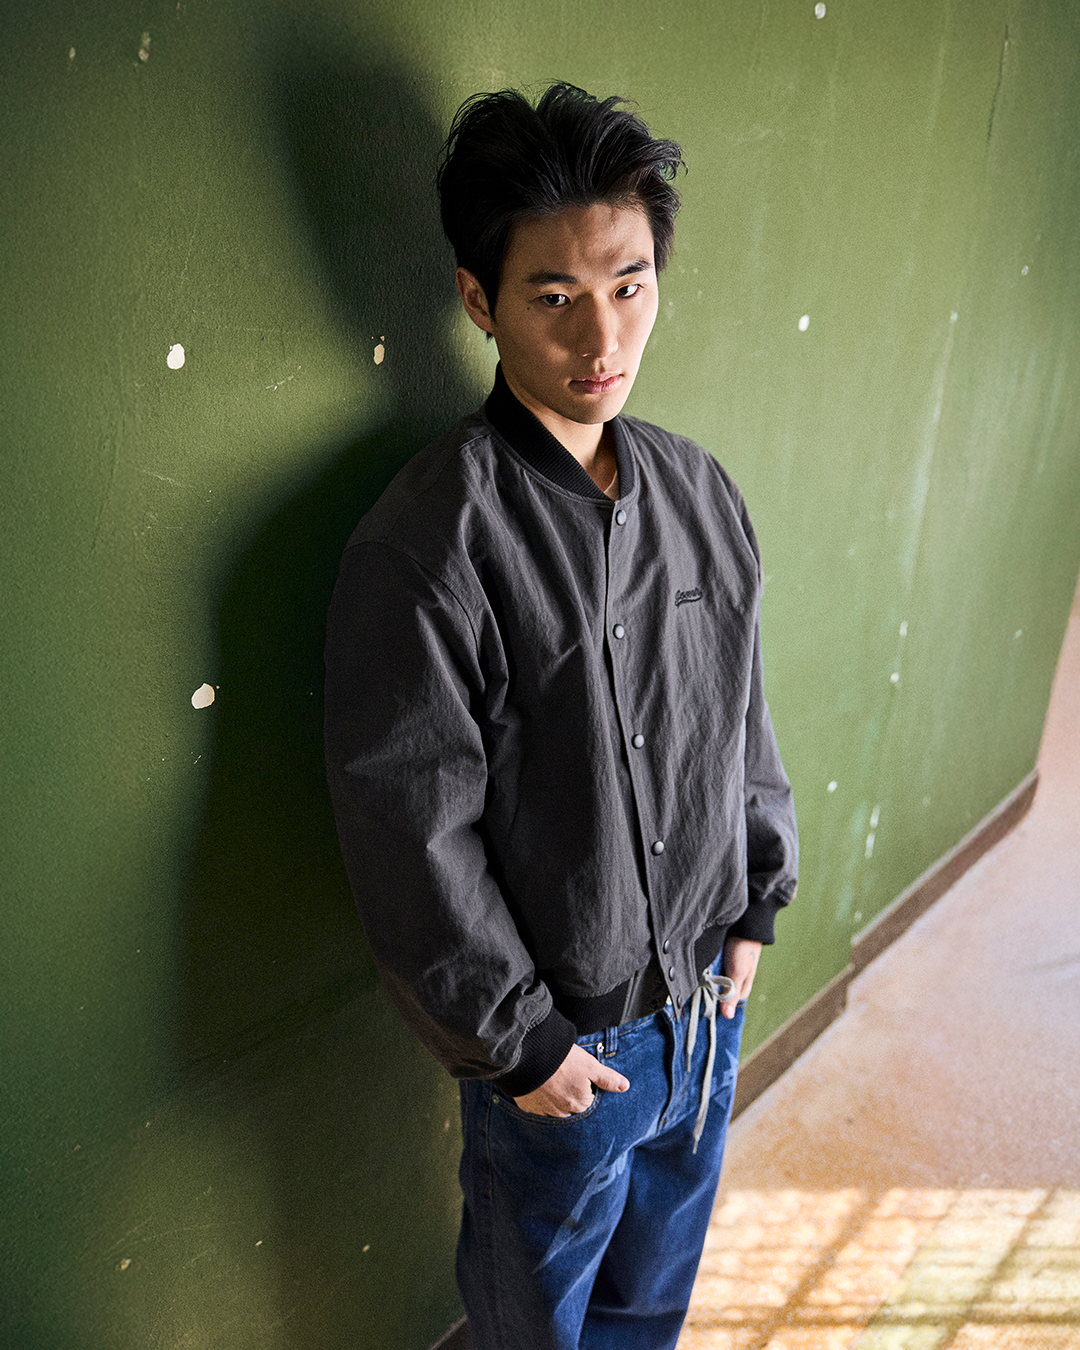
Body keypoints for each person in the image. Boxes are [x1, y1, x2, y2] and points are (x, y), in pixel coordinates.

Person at [324, 82, 798, 1350]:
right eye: (554, 297)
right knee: (533, 1318)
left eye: (630, 285)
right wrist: (523, 1045)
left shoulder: (700, 491)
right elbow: (407, 823)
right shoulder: (429, 542)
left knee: (652, 1298)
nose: (603, 335)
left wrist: (755, 901)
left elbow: (738, 711)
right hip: (562, 1049)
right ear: (479, 301)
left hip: (707, 1008)